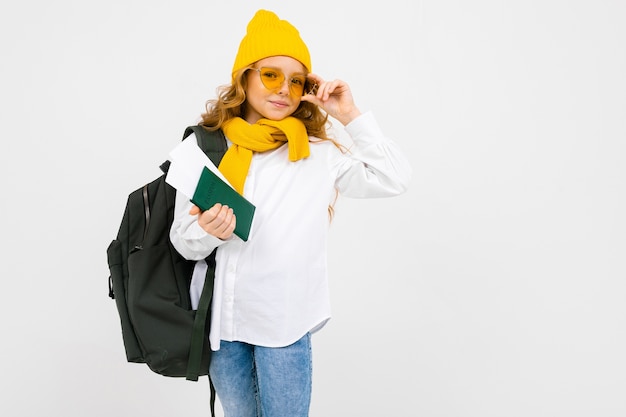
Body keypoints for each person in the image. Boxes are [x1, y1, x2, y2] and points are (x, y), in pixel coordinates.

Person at [169, 9, 412, 417]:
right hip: (221, 328)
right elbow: (184, 242)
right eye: (270, 75)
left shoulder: (317, 154)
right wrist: (208, 231)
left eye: (296, 80)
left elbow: (395, 178)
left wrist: (349, 115)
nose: (284, 89)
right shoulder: (203, 148)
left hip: (284, 326)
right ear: (244, 77)